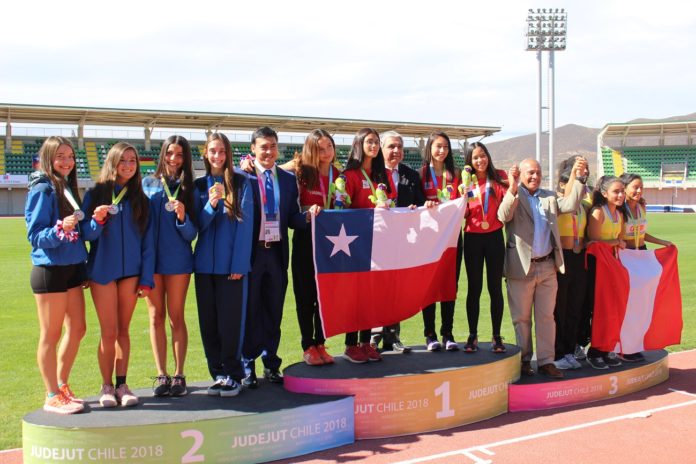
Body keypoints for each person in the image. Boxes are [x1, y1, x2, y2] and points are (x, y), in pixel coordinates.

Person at [26, 137, 100, 414]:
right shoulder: (43, 189)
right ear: (48, 159)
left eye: (70, 156)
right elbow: (35, 236)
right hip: (50, 270)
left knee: (78, 328)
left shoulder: (68, 187)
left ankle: (62, 385)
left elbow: (80, 234)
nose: (67, 162)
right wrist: (60, 228)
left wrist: (96, 222)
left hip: (72, 268)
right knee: (50, 334)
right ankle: (51, 394)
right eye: (60, 157)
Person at [498, 157, 585, 379]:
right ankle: (525, 360)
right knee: (522, 319)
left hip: (547, 266)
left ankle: (547, 361)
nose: (535, 176)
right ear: (521, 174)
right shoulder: (515, 195)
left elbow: (571, 205)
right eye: (530, 173)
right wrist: (513, 189)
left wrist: (580, 178)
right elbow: (503, 216)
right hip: (521, 268)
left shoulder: (548, 196)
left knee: (547, 317)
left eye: (538, 172)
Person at [82, 142, 154, 407]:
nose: (128, 165)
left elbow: (148, 244)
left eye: (132, 161)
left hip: (131, 274)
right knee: (108, 331)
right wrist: (97, 220)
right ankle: (106, 386)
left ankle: (123, 384)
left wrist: (146, 279)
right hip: (102, 272)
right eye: (123, 160)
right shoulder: (95, 194)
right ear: (112, 161)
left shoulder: (141, 200)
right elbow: (86, 235)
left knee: (124, 330)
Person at [242, 126, 308, 387]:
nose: (268, 151)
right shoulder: (243, 176)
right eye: (263, 147)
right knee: (250, 311)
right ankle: (248, 364)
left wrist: (309, 218)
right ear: (253, 150)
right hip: (251, 254)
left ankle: (271, 363)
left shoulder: (288, 180)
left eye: (272, 146)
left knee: (273, 311)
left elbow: (291, 218)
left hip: (277, 254)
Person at [193, 132, 254, 397]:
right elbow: (196, 227)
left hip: (232, 268)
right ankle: (217, 373)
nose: (217, 156)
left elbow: (245, 226)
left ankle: (234, 373)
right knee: (209, 323)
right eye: (212, 151)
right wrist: (211, 204)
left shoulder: (242, 183)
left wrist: (239, 264)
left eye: (222, 151)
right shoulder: (197, 186)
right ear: (205, 153)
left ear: (228, 154)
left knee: (231, 323)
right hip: (204, 267)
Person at [142, 136, 197, 396]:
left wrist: (183, 217)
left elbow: (192, 234)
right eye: (169, 153)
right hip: (151, 261)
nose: (174, 159)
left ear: (185, 158)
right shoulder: (147, 184)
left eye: (179, 155)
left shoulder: (191, 188)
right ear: (162, 154)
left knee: (176, 316)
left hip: (178, 261)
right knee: (155, 317)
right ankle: (162, 374)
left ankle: (179, 375)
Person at [341, 128, 397, 363]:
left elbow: (392, 201)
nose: (373, 146)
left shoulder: (382, 173)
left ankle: (366, 342)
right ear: (359, 144)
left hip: (379, 241)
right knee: (356, 294)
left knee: (371, 295)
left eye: (376, 142)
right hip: (355, 242)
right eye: (369, 142)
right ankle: (350, 344)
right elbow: (344, 208)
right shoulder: (351, 174)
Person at [280, 129, 335, 365]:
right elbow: (272, 171)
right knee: (305, 296)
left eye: (329, 147)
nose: (325, 153)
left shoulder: (339, 175)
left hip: (332, 244)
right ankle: (308, 345)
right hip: (305, 241)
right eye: (320, 149)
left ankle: (321, 342)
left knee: (324, 296)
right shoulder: (299, 171)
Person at [369, 130, 426, 354]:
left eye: (400, 147)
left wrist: (416, 209)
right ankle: (373, 335)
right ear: (381, 148)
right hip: (376, 240)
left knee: (396, 289)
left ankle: (393, 336)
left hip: (402, 242)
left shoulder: (411, 175)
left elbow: (421, 204)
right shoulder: (371, 174)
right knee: (375, 289)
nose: (396, 151)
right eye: (392, 146)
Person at [617, 172, 672, 362]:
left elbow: (643, 233)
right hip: (625, 259)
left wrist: (662, 242)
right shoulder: (618, 209)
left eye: (641, 187)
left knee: (641, 303)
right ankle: (621, 347)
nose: (639, 190)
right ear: (624, 188)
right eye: (635, 187)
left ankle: (633, 345)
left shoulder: (641, 207)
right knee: (627, 304)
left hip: (640, 254)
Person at [461, 142, 509, 353]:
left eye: (483, 156)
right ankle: (472, 335)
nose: (480, 160)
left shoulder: (498, 179)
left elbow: (509, 204)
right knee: (474, 289)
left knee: (495, 289)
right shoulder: (467, 184)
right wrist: (461, 197)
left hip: (495, 238)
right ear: (469, 161)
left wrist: (513, 182)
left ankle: (497, 336)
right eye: (475, 157)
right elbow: (462, 214)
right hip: (472, 238)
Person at [419, 132, 463, 352]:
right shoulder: (420, 174)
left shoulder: (457, 174)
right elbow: (415, 206)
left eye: (445, 147)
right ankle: (430, 334)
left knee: (449, 286)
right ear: (430, 148)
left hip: (453, 238)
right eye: (438, 146)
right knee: (429, 286)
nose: (442, 150)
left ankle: (448, 333)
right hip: (429, 239)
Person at [552, 156, 592, 370]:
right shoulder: (555, 203)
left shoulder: (583, 206)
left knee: (575, 308)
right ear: (562, 184)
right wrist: (576, 176)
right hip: (562, 260)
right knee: (560, 309)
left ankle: (570, 349)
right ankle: (557, 352)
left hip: (579, 259)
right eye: (573, 182)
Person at [584, 175, 626, 369]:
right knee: (599, 307)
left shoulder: (620, 215)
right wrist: (616, 242)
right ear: (604, 193)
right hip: (597, 265)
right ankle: (594, 351)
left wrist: (619, 243)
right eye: (616, 191)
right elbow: (593, 241)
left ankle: (607, 347)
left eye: (622, 191)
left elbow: (621, 240)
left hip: (612, 266)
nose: (621, 195)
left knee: (613, 307)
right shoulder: (598, 212)